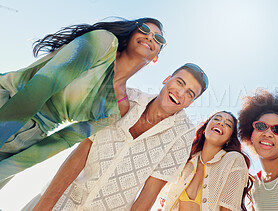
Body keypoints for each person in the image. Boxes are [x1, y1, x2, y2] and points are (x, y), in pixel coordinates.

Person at [0, 17, 166, 187]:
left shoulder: (118, 107)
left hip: (25, 140)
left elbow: (63, 140)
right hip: (7, 101)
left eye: (158, 39)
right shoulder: (103, 42)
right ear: (131, 33)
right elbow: (40, 88)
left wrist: (7, 169)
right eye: (144, 29)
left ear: (156, 59)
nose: (150, 37)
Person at [22, 63, 209, 210]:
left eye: (190, 93)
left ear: (190, 102)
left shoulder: (182, 135)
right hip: (63, 196)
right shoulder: (126, 98)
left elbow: (150, 192)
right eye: (180, 82)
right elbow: (82, 152)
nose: (180, 93)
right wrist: (44, 206)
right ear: (167, 79)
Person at [161, 111, 251, 211]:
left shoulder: (234, 160)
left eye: (228, 124)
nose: (221, 123)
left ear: (229, 139)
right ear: (204, 130)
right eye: (217, 119)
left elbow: (228, 208)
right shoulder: (186, 161)